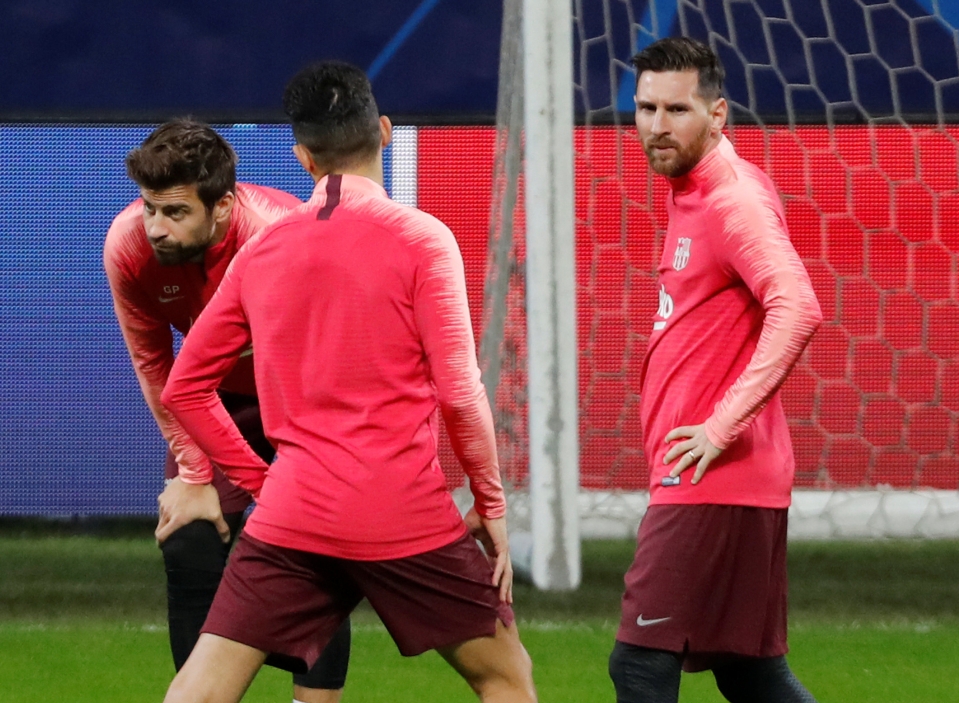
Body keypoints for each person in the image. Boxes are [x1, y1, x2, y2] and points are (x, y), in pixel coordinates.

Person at [157, 61, 537, 703]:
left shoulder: (261, 252)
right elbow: (459, 394)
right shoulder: (423, 240)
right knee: (505, 676)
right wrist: (490, 503)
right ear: (384, 131)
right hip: (403, 511)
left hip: (293, 514)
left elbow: (183, 388)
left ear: (302, 156)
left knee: (199, 690)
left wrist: (262, 482)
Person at [103, 119, 350, 703]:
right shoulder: (129, 247)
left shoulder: (281, 239)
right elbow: (155, 364)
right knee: (188, 538)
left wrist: (292, 480)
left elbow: (322, 360)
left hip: (300, 396)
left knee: (315, 548)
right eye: (149, 208)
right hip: (211, 399)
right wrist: (195, 473)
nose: (155, 227)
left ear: (222, 207)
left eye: (175, 212)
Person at [607, 37, 823, 703]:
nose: (656, 125)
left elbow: (798, 307)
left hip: (712, 477)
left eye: (676, 110)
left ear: (717, 113)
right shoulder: (693, 189)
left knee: (639, 665)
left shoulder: (732, 200)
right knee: (749, 673)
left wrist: (718, 428)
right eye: (646, 108)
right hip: (727, 479)